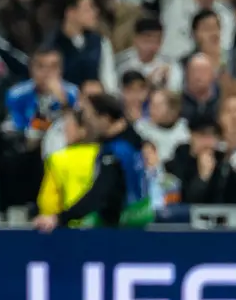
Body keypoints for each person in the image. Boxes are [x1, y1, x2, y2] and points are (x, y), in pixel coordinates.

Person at [33, 94, 151, 230]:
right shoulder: (132, 140)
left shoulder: (116, 150)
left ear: (105, 118)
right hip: (139, 223)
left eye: (89, 117)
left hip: (124, 230)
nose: (86, 123)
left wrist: (59, 218)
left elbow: (100, 194)